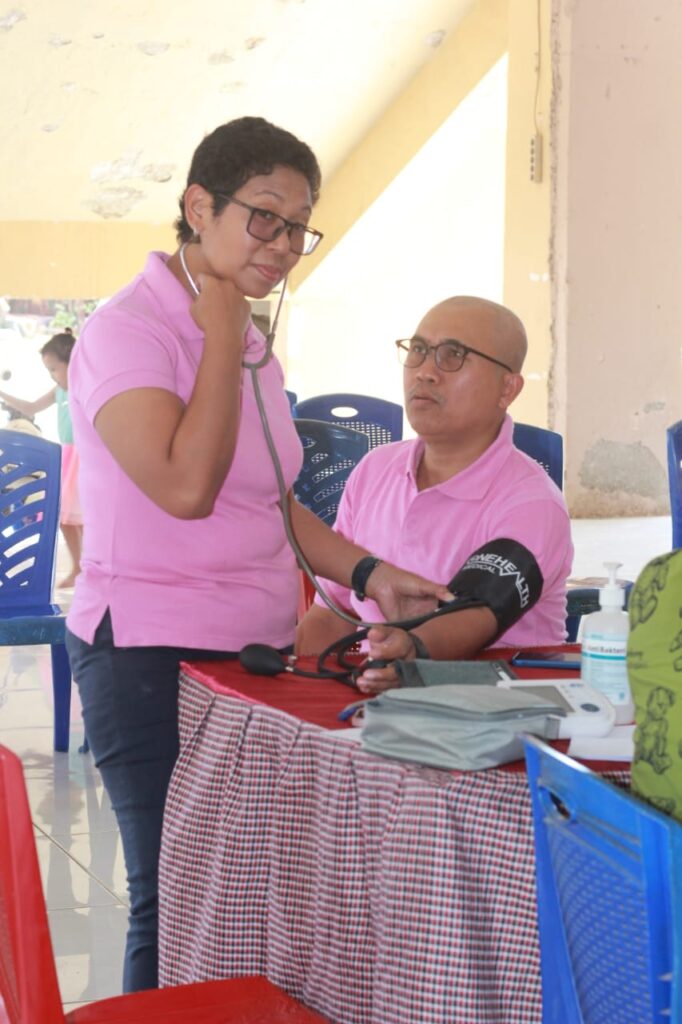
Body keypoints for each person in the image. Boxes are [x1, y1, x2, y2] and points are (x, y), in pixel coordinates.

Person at [64, 116, 451, 995]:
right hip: (148, 652)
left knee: (244, 890)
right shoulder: (130, 333)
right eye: (265, 218)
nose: (283, 246)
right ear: (199, 206)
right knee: (173, 898)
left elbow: (270, 492)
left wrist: (368, 572)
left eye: (300, 227)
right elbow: (186, 487)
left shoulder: (245, 339)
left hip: (252, 649)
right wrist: (216, 332)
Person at [296, 295, 574, 692]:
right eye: (419, 350)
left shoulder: (530, 503)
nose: (425, 371)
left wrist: (410, 651)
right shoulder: (375, 470)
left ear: (507, 388)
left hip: (490, 718)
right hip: (369, 699)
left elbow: (474, 614)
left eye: (453, 355)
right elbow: (333, 610)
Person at [0, 329, 83, 587]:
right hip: (68, 455)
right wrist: (3, 393)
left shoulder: (85, 384)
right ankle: (79, 566)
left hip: (85, 457)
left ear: (72, 361)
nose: (52, 376)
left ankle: (87, 567)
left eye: (54, 369)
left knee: (82, 518)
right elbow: (31, 408)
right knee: (67, 518)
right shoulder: (59, 389)